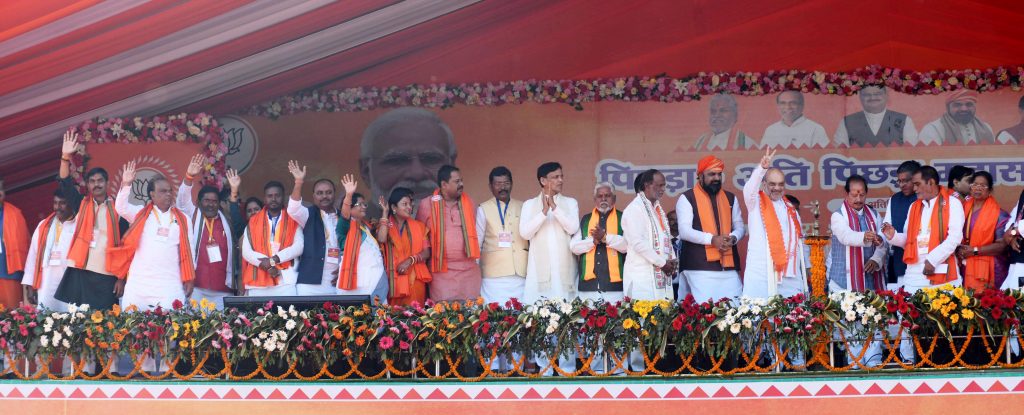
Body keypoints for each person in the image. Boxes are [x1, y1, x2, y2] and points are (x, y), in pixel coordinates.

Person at [54, 130, 128, 311]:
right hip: (81, 271)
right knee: (80, 324)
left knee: (104, 324)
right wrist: (65, 157)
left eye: (100, 180)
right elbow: (64, 182)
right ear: (87, 185)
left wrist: (121, 278)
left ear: (107, 182)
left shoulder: (119, 210)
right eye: (92, 181)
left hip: (106, 274)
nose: (96, 184)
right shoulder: (81, 203)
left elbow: (125, 247)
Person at [109, 161, 195, 310]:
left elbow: (190, 250)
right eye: (163, 191)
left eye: (169, 190)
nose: (168, 194)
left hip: (170, 285)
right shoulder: (140, 214)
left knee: (171, 330)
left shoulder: (183, 219)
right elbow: (121, 208)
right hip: (139, 285)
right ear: (152, 195)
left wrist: (190, 277)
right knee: (132, 329)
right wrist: (126, 184)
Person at [828, 175, 887, 368]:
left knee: (873, 319)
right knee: (851, 322)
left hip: (869, 278)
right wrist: (865, 236)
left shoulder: (874, 214)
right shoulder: (838, 215)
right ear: (847, 194)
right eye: (854, 194)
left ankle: (874, 361)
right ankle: (854, 363)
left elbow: (883, 242)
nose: (858, 198)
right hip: (844, 281)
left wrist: (875, 258)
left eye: (862, 194)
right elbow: (845, 236)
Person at [622, 169, 677, 371]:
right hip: (642, 278)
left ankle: (658, 366)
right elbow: (637, 243)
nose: (662, 189)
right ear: (646, 186)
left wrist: (672, 259)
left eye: (664, 185)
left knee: (660, 324)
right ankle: (637, 369)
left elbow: (665, 240)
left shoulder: (657, 210)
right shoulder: (634, 209)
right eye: (659, 185)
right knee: (639, 326)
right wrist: (663, 262)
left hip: (659, 279)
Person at [360, 107, 457, 217]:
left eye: (431, 159)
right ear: (366, 172)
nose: (417, 174)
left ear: (451, 166)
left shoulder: (472, 221)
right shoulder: (353, 229)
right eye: (397, 161)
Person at [881, 165, 964, 293]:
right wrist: (893, 236)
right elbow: (908, 241)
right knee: (911, 312)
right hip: (914, 274)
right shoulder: (914, 206)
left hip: (941, 270)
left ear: (930, 182)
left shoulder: (953, 203)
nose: (914, 189)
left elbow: (954, 238)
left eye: (917, 184)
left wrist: (932, 260)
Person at [675, 156, 746, 303]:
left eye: (719, 174)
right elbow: (684, 231)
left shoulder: (730, 198)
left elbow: (740, 226)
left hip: (728, 267)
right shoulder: (687, 198)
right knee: (707, 314)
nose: (716, 178)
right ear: (700, 176)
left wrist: (733, 237)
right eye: (711, 174)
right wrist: (712, 239)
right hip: (699, 266)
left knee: (738, 309)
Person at [742, 149, 808, 298]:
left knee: (793, 318)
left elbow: (798, 242)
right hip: (762, 274)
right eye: (772, 184)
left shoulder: (791, 209)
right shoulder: (755, 202)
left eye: (780, 184)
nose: (777, 188)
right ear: (764, 184)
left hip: (789, 275)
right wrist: (762, 168)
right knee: (759, 319)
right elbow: (749, 189)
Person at [176, 155, 238, 308]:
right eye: (207, 201)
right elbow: (182, 201)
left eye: (214, 201)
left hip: (223, 288)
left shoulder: (227, 221)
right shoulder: (193, 215)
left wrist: (235, 191)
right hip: (196, 286)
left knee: (222, 330)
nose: (211, 205)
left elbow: (240, 224)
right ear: (199, 202)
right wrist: (189, 177)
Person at [415, 165, 481, 302]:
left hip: (468, 272)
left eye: (461, 180)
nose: (461, 184)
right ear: (444, 184)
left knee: (471, 316)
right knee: (444, 317)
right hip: (441, 273)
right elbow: (420, 235)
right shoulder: (426, 205)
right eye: (457, 182)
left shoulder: (470, 204)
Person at [521, 162, 580, 304]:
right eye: (555, 177)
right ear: (543, 180)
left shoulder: (571, 203)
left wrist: (554, 207)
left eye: (561, 176)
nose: (561, 180)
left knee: (567, 314)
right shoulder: (529, 205)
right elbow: (525, 233)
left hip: (564, 273)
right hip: (538, 274)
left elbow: (572, 228)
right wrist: (543, 212)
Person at [286, 160, 342, 296]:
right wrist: (298, 182)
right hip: (310, 283)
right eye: (320, 193)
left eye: (328, 192)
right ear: (313, 196)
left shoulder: (344, 217)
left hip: (338, 281)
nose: (324, 196)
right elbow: (292, 209)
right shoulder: (308, 214)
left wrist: (343, 271)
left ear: (335, 194)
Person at [240, 181, 304, 296]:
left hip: (286, 280)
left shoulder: (293, 219)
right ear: (265, 198)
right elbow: (246, 251)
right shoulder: (253, 221)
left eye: (277, 195)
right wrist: (268, 265)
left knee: (290, 314)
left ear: (283, 197)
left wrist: (274, 260)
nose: (273, 199)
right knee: (258, 314)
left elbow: (299, 246)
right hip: (258, 282)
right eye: (270, 196)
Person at [475, 166, 527, 305]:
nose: (503, 187)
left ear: (512, 184)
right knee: (494, 316)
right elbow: (477, 241)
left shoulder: (524, 206)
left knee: (520, 316)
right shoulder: (483, 209)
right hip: (493, 274)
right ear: (490, 186)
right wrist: (475, 270)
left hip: (520, 272)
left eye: (506, 183)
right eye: (498, 184)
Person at [570, 183, 628, 304]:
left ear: (614, 198)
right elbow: (574, 247)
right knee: (588, 322)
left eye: (607, 195)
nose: (603, 199)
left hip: (615, 287)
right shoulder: (586, 219)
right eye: (600, 196)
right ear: (594, 199)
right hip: (588, 287)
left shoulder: (623, 218)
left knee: (615, 322)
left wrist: (606, 238)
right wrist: (593, 241)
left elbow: (628, 246)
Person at [22, 189, 77, 310]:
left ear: (71, 204)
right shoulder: (43, 226)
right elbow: (32, 257)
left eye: (62, 203)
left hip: (70, 282)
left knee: (72, 321)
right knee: (46, 320)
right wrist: (29, 286)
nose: (58, 207)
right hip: (46, 282)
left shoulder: (78, 225)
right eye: (55, 203)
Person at [334, 175, 387, 301]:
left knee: (379, 317)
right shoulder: (344, 226)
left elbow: (382, 239)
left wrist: (385, 212)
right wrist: (349, 194)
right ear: (350, 207)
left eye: (365, 204)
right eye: (360, 204)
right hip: (355, 283)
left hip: (373, 280)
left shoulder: (367, 227)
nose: (364, 207)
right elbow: (345, 215)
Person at [377, 187, 431, 305]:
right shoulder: (384, 225)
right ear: (394, 207)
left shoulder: (419, 226)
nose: (409, 207)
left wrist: (410, 260)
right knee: (394, 320)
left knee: (416, 318)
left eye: (410, 204)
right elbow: (381, 238)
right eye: (404, 204)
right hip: (393, 280)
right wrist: (385, 213)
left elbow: (427, 252)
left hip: (415, 279)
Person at [955, 171, 1009, 291]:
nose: (978, 188)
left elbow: (1002, 246)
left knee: (986, 306)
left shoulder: (1000, 215)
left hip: (989, 270)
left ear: (989, 190)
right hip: (963, 265)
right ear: (970, 187)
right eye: (975, 184)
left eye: (983, 185)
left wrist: (974, 251)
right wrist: (959, 249)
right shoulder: (960, 209)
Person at [834, 85, 919, 147]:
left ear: (886, 96)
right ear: (860, 97)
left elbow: (912, 152)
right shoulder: (847, 122)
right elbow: (840, 153)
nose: (872, 97)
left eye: (877, 94)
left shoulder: (904, 120)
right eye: (867, 95)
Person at [884, 161, 920, 290]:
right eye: (899, 181)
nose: (902, 185)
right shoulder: (894, 199)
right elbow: (886, 228)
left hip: (923, 261)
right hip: (900, 260)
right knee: (902, 303)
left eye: (906, 181)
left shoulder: (924, 198)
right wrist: (886, 236)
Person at [919, 90, 1003, 145]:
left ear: (975, 107)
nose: (964, 109)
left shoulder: (986, 128)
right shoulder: (933, 129)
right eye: (957, 105)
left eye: (969, 104)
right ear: (948, 107)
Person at [760, 91, 829, 149]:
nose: (788, 107)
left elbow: (822, 156)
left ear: (802, 105)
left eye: (793, 103)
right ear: (778, 106)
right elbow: (763, 157)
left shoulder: (816, 129)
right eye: (783, 103)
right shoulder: (771, 130)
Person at [0, 177, 29, 309]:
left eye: (1, 189)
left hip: (9, 274)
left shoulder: (15, 214)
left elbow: (27, 245)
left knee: (11, 320)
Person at [692, 94, 758, 151]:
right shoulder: (701, 141)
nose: (717, 115)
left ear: (735, 115)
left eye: (723, 111)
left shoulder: (745, 142)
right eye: (713, 111)